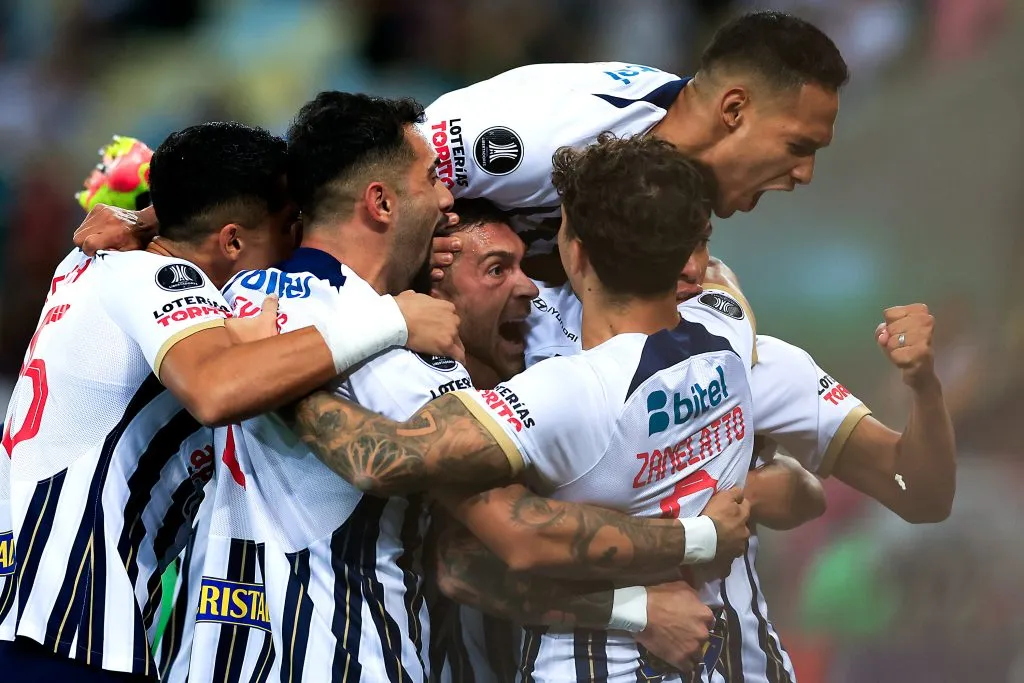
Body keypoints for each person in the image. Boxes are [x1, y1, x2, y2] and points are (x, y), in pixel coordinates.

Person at [282, 133, 758, 680]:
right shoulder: (730, 331)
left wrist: (282, 377)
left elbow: (382, 460)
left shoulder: (571, 391)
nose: (530, 287)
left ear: (574, 252)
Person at [0, 122, 461, 682]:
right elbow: (219, 389)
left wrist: (140, 215)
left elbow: (230, 318)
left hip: (26, 598)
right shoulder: (159, 278)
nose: (300, 240)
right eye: (290, 221)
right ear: (234, 239)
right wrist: (392, 319)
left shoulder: (89, 262)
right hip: (70, 619)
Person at [422, 10, 848, 272]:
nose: (805, 174)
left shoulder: (680, 177)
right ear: (733, 111)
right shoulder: (542, 135)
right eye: (797, 146)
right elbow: (372, 183)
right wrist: (399, 314)